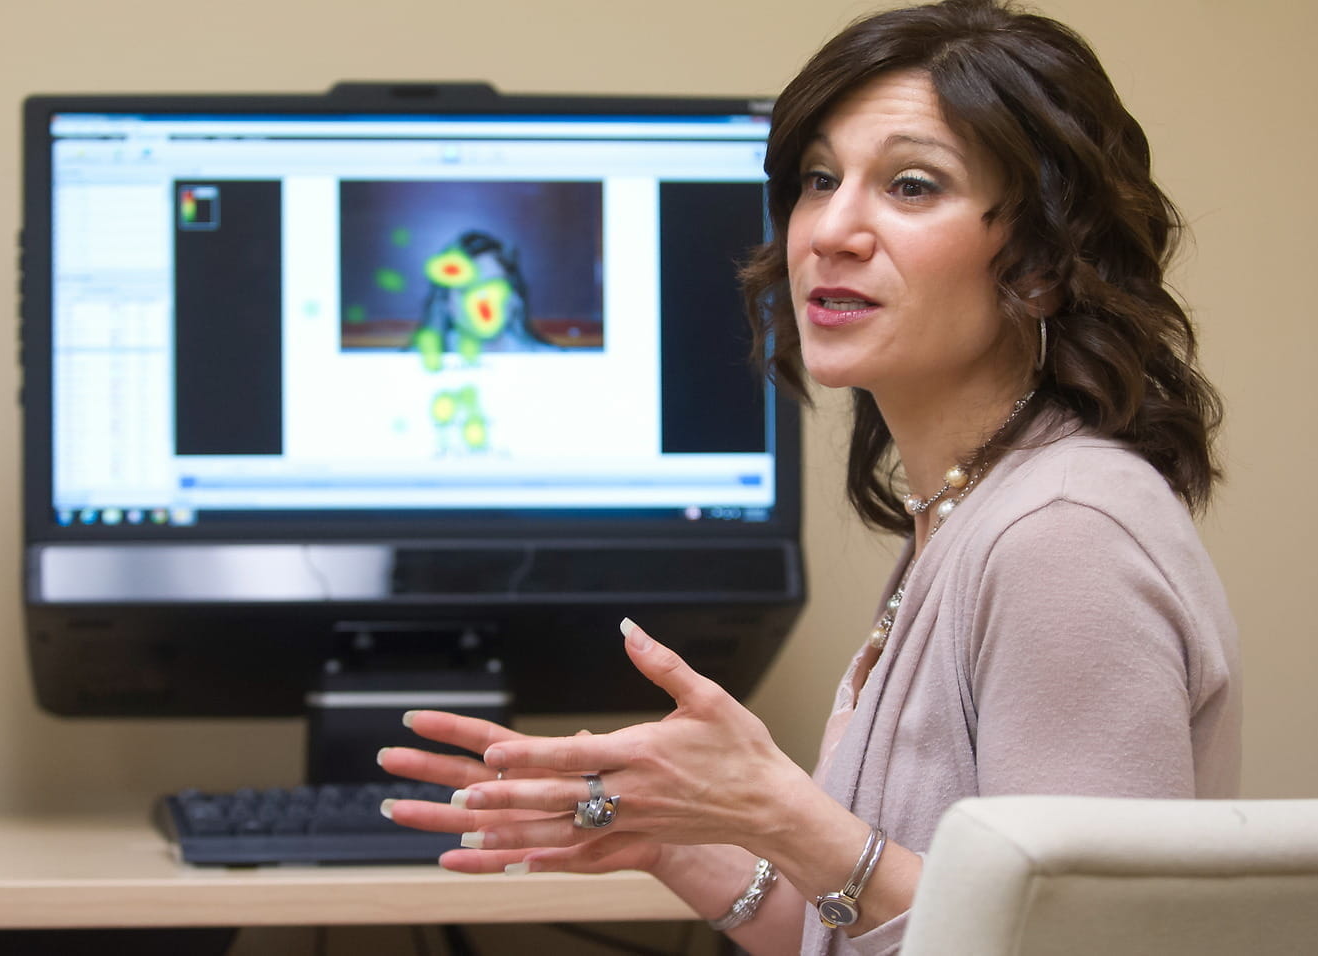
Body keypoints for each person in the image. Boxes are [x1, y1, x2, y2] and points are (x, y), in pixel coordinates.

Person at [376, 1, 1242, 952]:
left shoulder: (1063, 537)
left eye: (912, 186)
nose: (832, 229)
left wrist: (789, 816)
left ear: (1038, 263)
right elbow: (885, 929)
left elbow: (1077, 942)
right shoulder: (965, 512)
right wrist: (680, 839)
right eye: (821, 179)